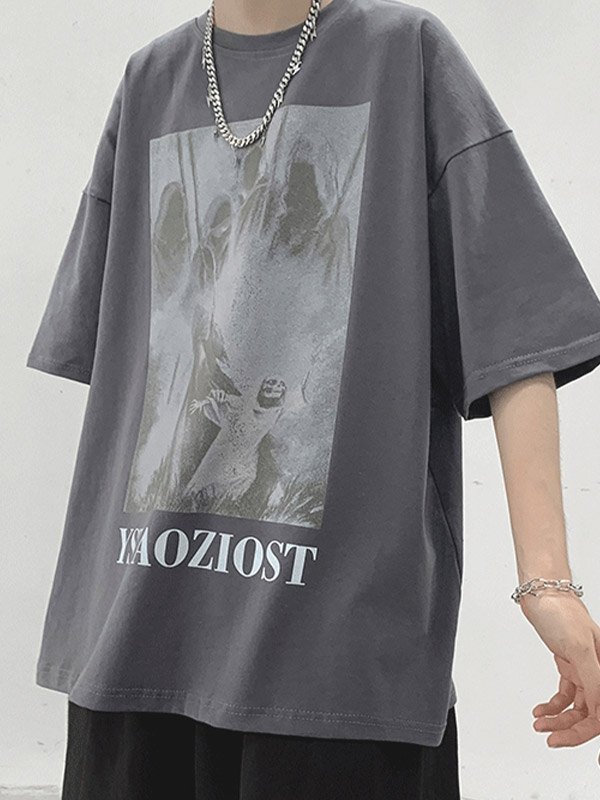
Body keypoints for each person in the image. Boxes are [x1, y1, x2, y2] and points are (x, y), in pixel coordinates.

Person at [25, 0, 600, 797]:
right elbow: (134, 373)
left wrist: (548, 583)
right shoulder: (149, 80)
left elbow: (518, 330)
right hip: (134, 649)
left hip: (335, 673)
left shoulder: (406, 55)